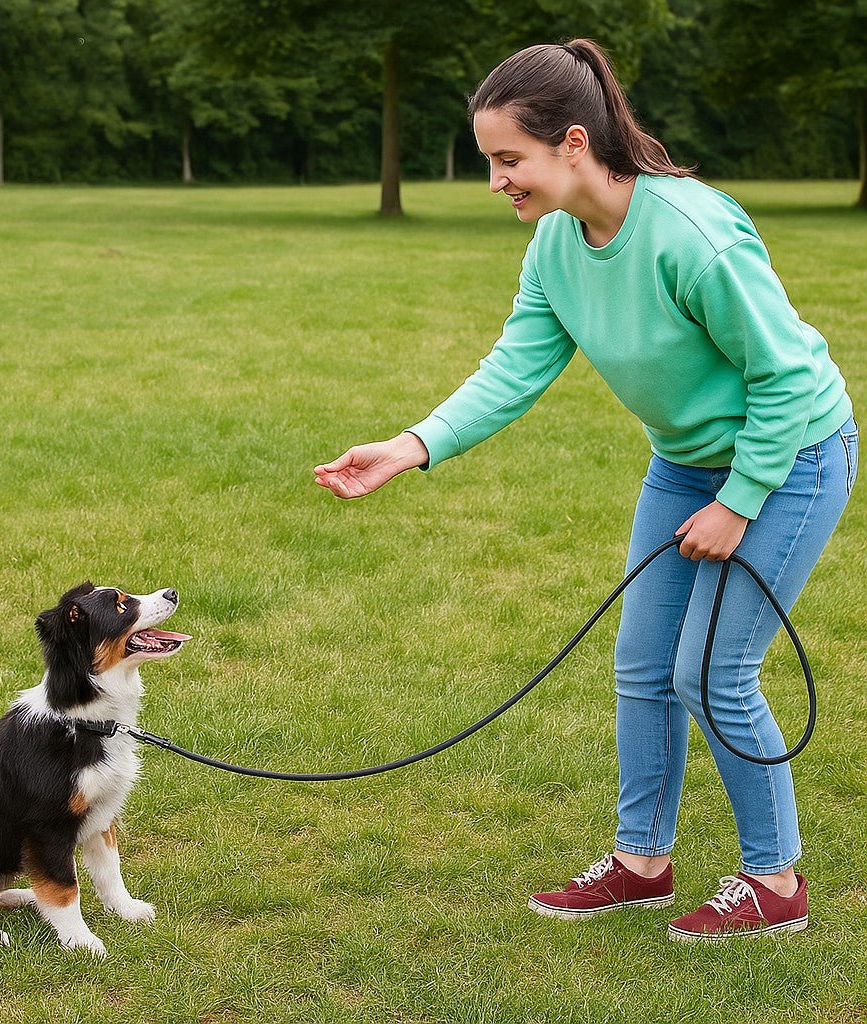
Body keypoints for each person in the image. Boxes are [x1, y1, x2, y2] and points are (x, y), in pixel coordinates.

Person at [313, 38, 858, 942]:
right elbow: (514, 369)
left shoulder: (692, 235)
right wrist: (410, 447)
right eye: (491, 161)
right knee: (643, 665)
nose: (496, 181)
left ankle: (775, 880)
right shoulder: (556, 247)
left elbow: (786, 378)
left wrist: (740, 500)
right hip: (684, 463)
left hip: (792, 455)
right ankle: (642, 864)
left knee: (712, 672)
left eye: (508, 159)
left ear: (573, 143)